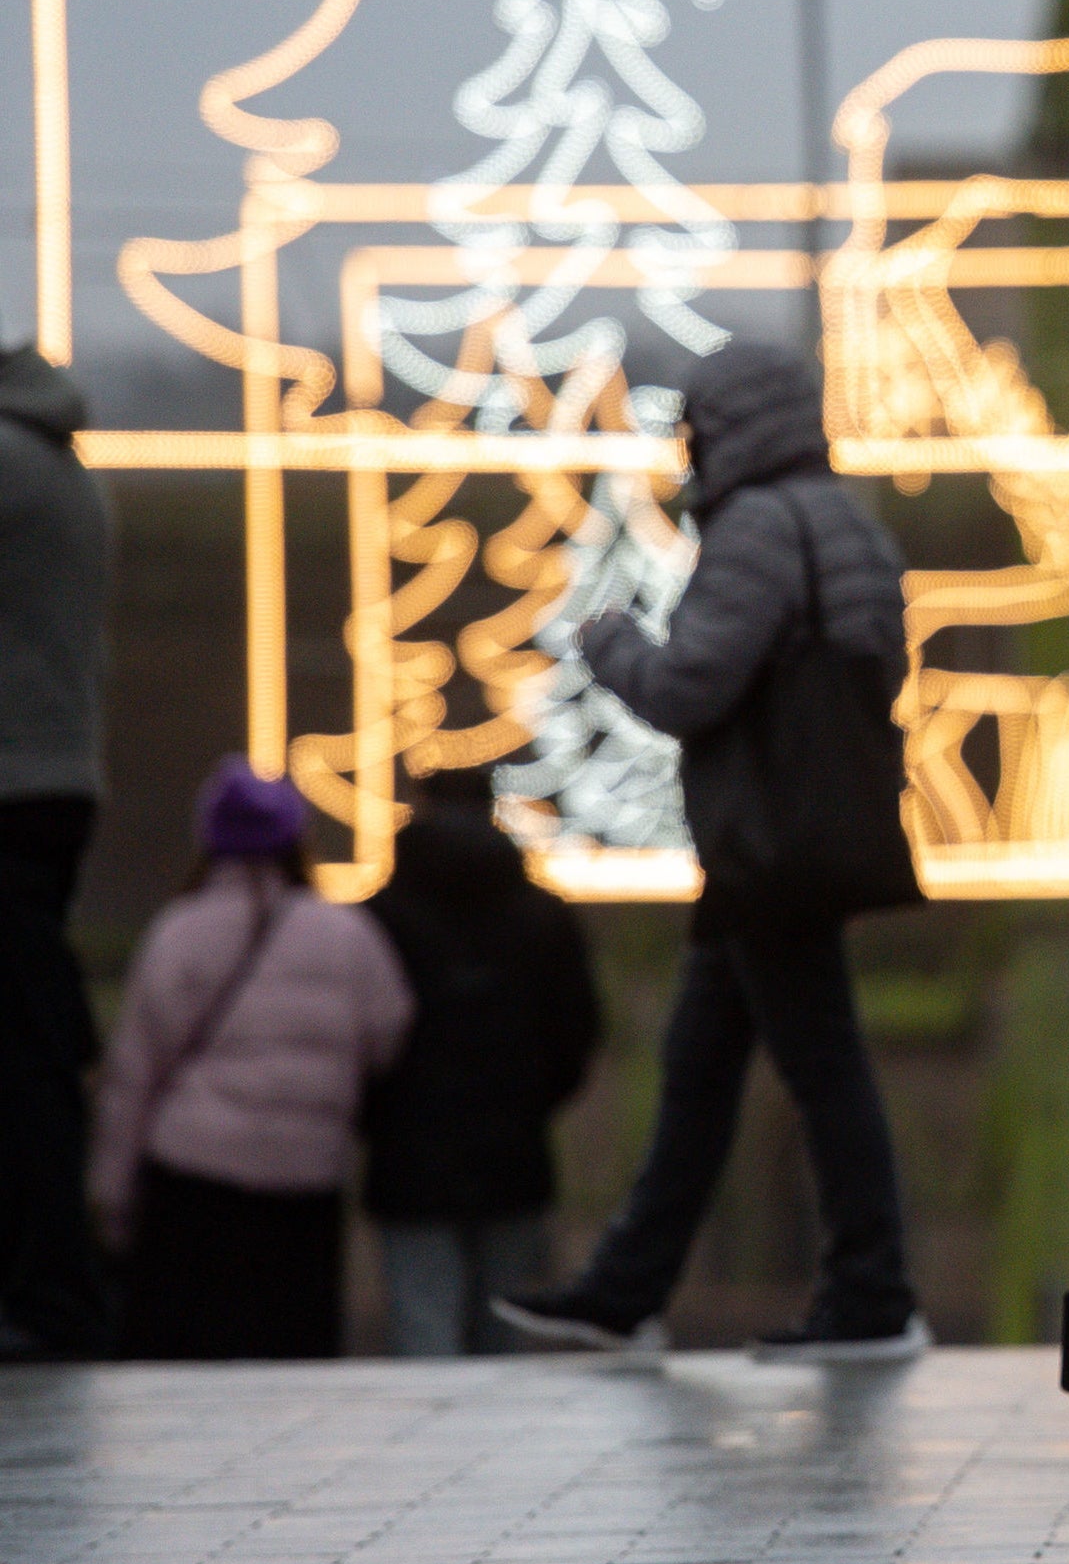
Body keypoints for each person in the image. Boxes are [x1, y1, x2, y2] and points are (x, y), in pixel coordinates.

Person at [495, 340, 929, 1362]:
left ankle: (871, 1294)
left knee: (821, 1067)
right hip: (794, 839)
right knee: (700, 1068)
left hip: (764, 846)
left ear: (731, 431)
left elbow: (691, 685)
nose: (688, 452)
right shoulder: (844, 521)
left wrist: (609, 646)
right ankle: (625, 1289)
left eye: (697, 430)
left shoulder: (759, 527)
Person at [90, 759, 413, 1359]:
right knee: (289, 1364)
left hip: (193, 1179)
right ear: (296, 839)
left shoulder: (180, 932)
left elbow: (133, 1075)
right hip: (306, 1182)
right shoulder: (348, 935)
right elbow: (388, 1034)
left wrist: (111, 1194)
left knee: (188, 1366)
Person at [362, 765, 603, 1355]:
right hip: (513, 1152)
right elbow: (576, 1034)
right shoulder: (545, 918)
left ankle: (430, 1449)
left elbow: (357, 1040)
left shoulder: (380, 917)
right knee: (503, 1337)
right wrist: (528, 1102)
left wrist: (376, 1117)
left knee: (424, 1329)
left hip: (408, 1155)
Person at [0, 344, 112, 1360]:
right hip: (52, 777)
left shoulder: (10, 462)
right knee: (31, 1039)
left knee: (23, 1060)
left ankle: (48, 1289)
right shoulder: (57, 461)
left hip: (13, 781)